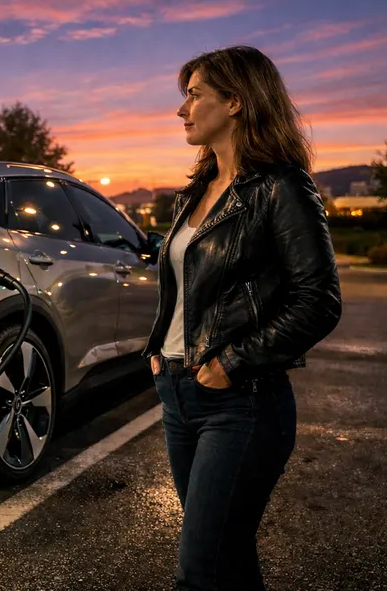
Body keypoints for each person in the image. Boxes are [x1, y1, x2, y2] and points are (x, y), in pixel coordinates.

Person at [140, 45, 342, 590]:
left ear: (234, 101)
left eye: (193, 94)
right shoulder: (198, 190)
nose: (181, 109)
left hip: (241, 402)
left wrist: (231, 362)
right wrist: (161, 354)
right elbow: (187, 291)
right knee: (227, 560)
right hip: (178, 394)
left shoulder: (281, 186)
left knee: (199, 571)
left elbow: (319, 298)